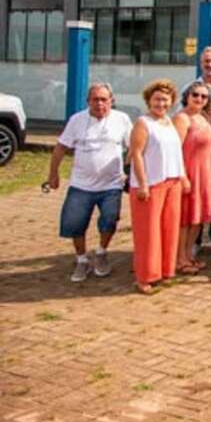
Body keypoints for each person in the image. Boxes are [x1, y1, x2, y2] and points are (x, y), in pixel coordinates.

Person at [45, 83, 132, 282]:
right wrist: (53, 174)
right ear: (88, 101)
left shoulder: (122, 119)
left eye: (104, 99)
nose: (100, 104)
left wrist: (130, 172)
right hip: (81, 185)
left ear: (111, 101)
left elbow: (134, 147)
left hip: (112, 184)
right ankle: (81, 259)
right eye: (95, 99)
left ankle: (101, 252)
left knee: (109, 221)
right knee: (75, 223)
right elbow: (61, 147)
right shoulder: (77, 120)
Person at [128, 79, 188, 294]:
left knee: (168, 229)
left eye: (165, 100)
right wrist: (142, 183)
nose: (161, 104)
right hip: (151, 184)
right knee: (148, 233)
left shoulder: (169, 122)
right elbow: (136, 154)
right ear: (149, 100)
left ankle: (163, 271)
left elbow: (176, 152)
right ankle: (144, 276)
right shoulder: (143, 123)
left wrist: (182, 176)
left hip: (172, 182)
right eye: (157, 99)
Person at [173, 82, 211, 275]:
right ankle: (179, 259)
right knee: (184, 219)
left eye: (204, 96)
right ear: (187, 96)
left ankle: (188, 254)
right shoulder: (182, 118)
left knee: (197, 218)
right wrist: (182, 176)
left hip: (204, 173)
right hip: (188, 172)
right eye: (195, 95)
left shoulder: (203, 117)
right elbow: (175, 151)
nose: (199, 99)